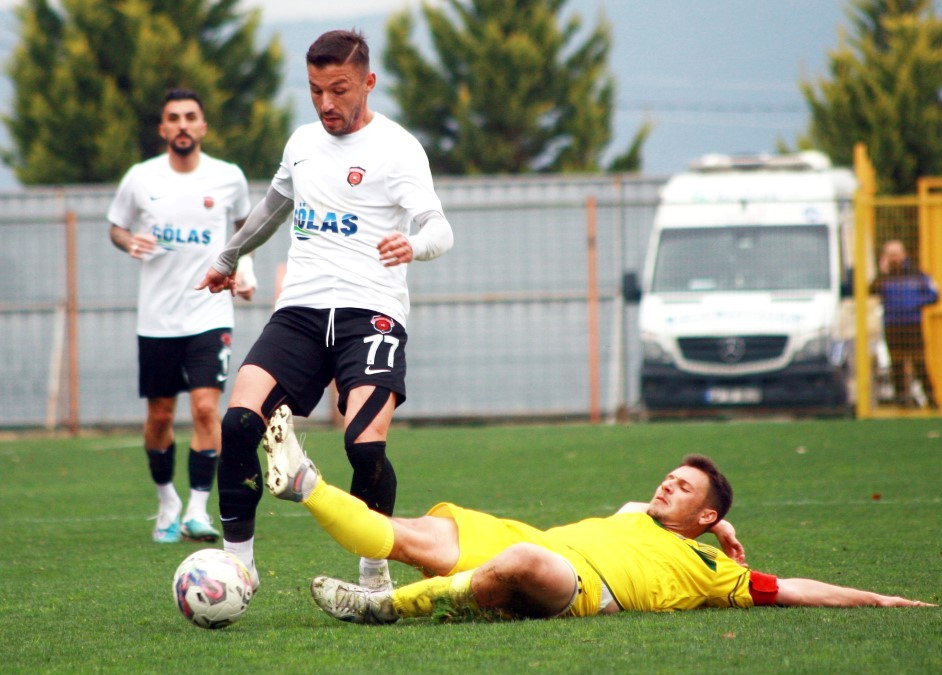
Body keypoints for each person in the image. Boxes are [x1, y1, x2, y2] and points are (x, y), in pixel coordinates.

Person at [257, 405, 933, 623]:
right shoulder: (641, 513)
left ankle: (385, 607)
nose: (667, 484)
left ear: (705, 515)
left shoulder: (713, 573)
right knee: (409, 533)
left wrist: (878, 597)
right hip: (532, 538)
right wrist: (717, 520)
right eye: (670, 476)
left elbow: (791, 588)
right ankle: (305, 484)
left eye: (685, 486)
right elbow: (641, 504)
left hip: (582, 586)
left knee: (519, 566)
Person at [195, 30, 454, 592]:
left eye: (339, 89)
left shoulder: (398, 149)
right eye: (315, 90)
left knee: (364, 445)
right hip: (302, 312)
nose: (326, 104)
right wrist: (227, 257)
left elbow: (439, 227)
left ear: (368, 82)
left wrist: (415, 245)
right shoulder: (302, 143)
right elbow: (273, 207)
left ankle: (373, 570)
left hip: (371, 313)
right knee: (239, 423)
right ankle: (237, 566)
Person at [108, 89, 254, 544]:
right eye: (174, 118)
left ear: (204, 126)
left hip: (209, 312)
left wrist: (244, 270)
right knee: (159, 416)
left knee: (208, 408)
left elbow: (245, 231)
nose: (183, 125)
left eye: (191, 117)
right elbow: (116, 225)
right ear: (163, 129)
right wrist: (127, 240)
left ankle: (196, 509)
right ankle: (167, 502)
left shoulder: (228, 177)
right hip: (156, 319)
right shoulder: (140, 178)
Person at [869, 239, 939, 408]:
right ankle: (901, 402)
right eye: (890, 255)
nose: (893, 258)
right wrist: (882, 272)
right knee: (897, 364)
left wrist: (914, 303)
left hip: (912, 325)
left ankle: (931, 401)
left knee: (919, 362)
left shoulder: (917, 275)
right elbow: (870, 291)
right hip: (892, 326)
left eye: (896, 254)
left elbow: (934, 295)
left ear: (903, 254)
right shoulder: (883, 278)